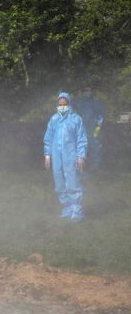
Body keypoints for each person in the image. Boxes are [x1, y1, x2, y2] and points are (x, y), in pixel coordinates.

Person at [44, 92, 87, 222]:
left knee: (72, 182)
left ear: (69, 104)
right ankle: (67, 208)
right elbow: (48, 138)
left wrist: (81, 156)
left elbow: (81, 139)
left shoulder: (76, 119)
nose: (62, 106)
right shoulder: (54, 119)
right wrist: (47, 155)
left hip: (71, 155)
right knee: (59, 183)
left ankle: (77, 211)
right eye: (60, 104)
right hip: (56, 156)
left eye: (64, 104)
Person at [73, 87, 105, 171]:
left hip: (93, 130)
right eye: (85, 90)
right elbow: (72, 110)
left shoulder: (97, 103)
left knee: (95, 148)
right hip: (82, 130)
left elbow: (100, 119)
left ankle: (95, 167)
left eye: (89, 90)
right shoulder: (79, 103)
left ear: (92, 92)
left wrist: (96, 132)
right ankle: (81, 166)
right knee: (81, 148)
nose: (88, 92)